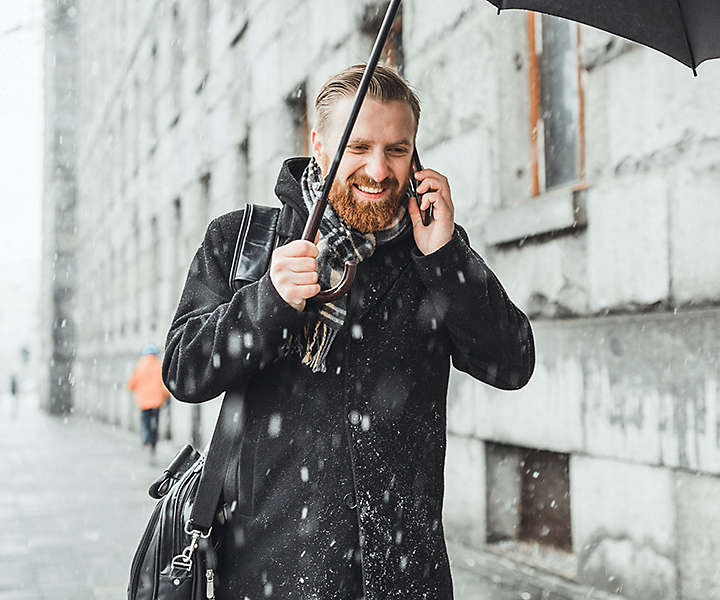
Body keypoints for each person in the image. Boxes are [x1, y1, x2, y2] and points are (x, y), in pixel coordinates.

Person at [163, 65, 534, 600]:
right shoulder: (244, 240)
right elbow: (182, 371)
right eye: (357, 147)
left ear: (417, 155)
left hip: (406, 578)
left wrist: (448, 257)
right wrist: (268, 300)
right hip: (271, 575)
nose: (378, 170)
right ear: (318, 143)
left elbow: (513, 363)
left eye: (397, 150)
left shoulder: (430, 251)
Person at [127, 345, 170, 459]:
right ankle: (153, 441)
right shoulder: (158, 365)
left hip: (143, 401)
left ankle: (146, 440)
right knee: (155, 421)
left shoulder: (140, 366)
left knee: (145, 422)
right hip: (156, 401)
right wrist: (166, 396)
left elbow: (131, 384)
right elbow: (163, 384)